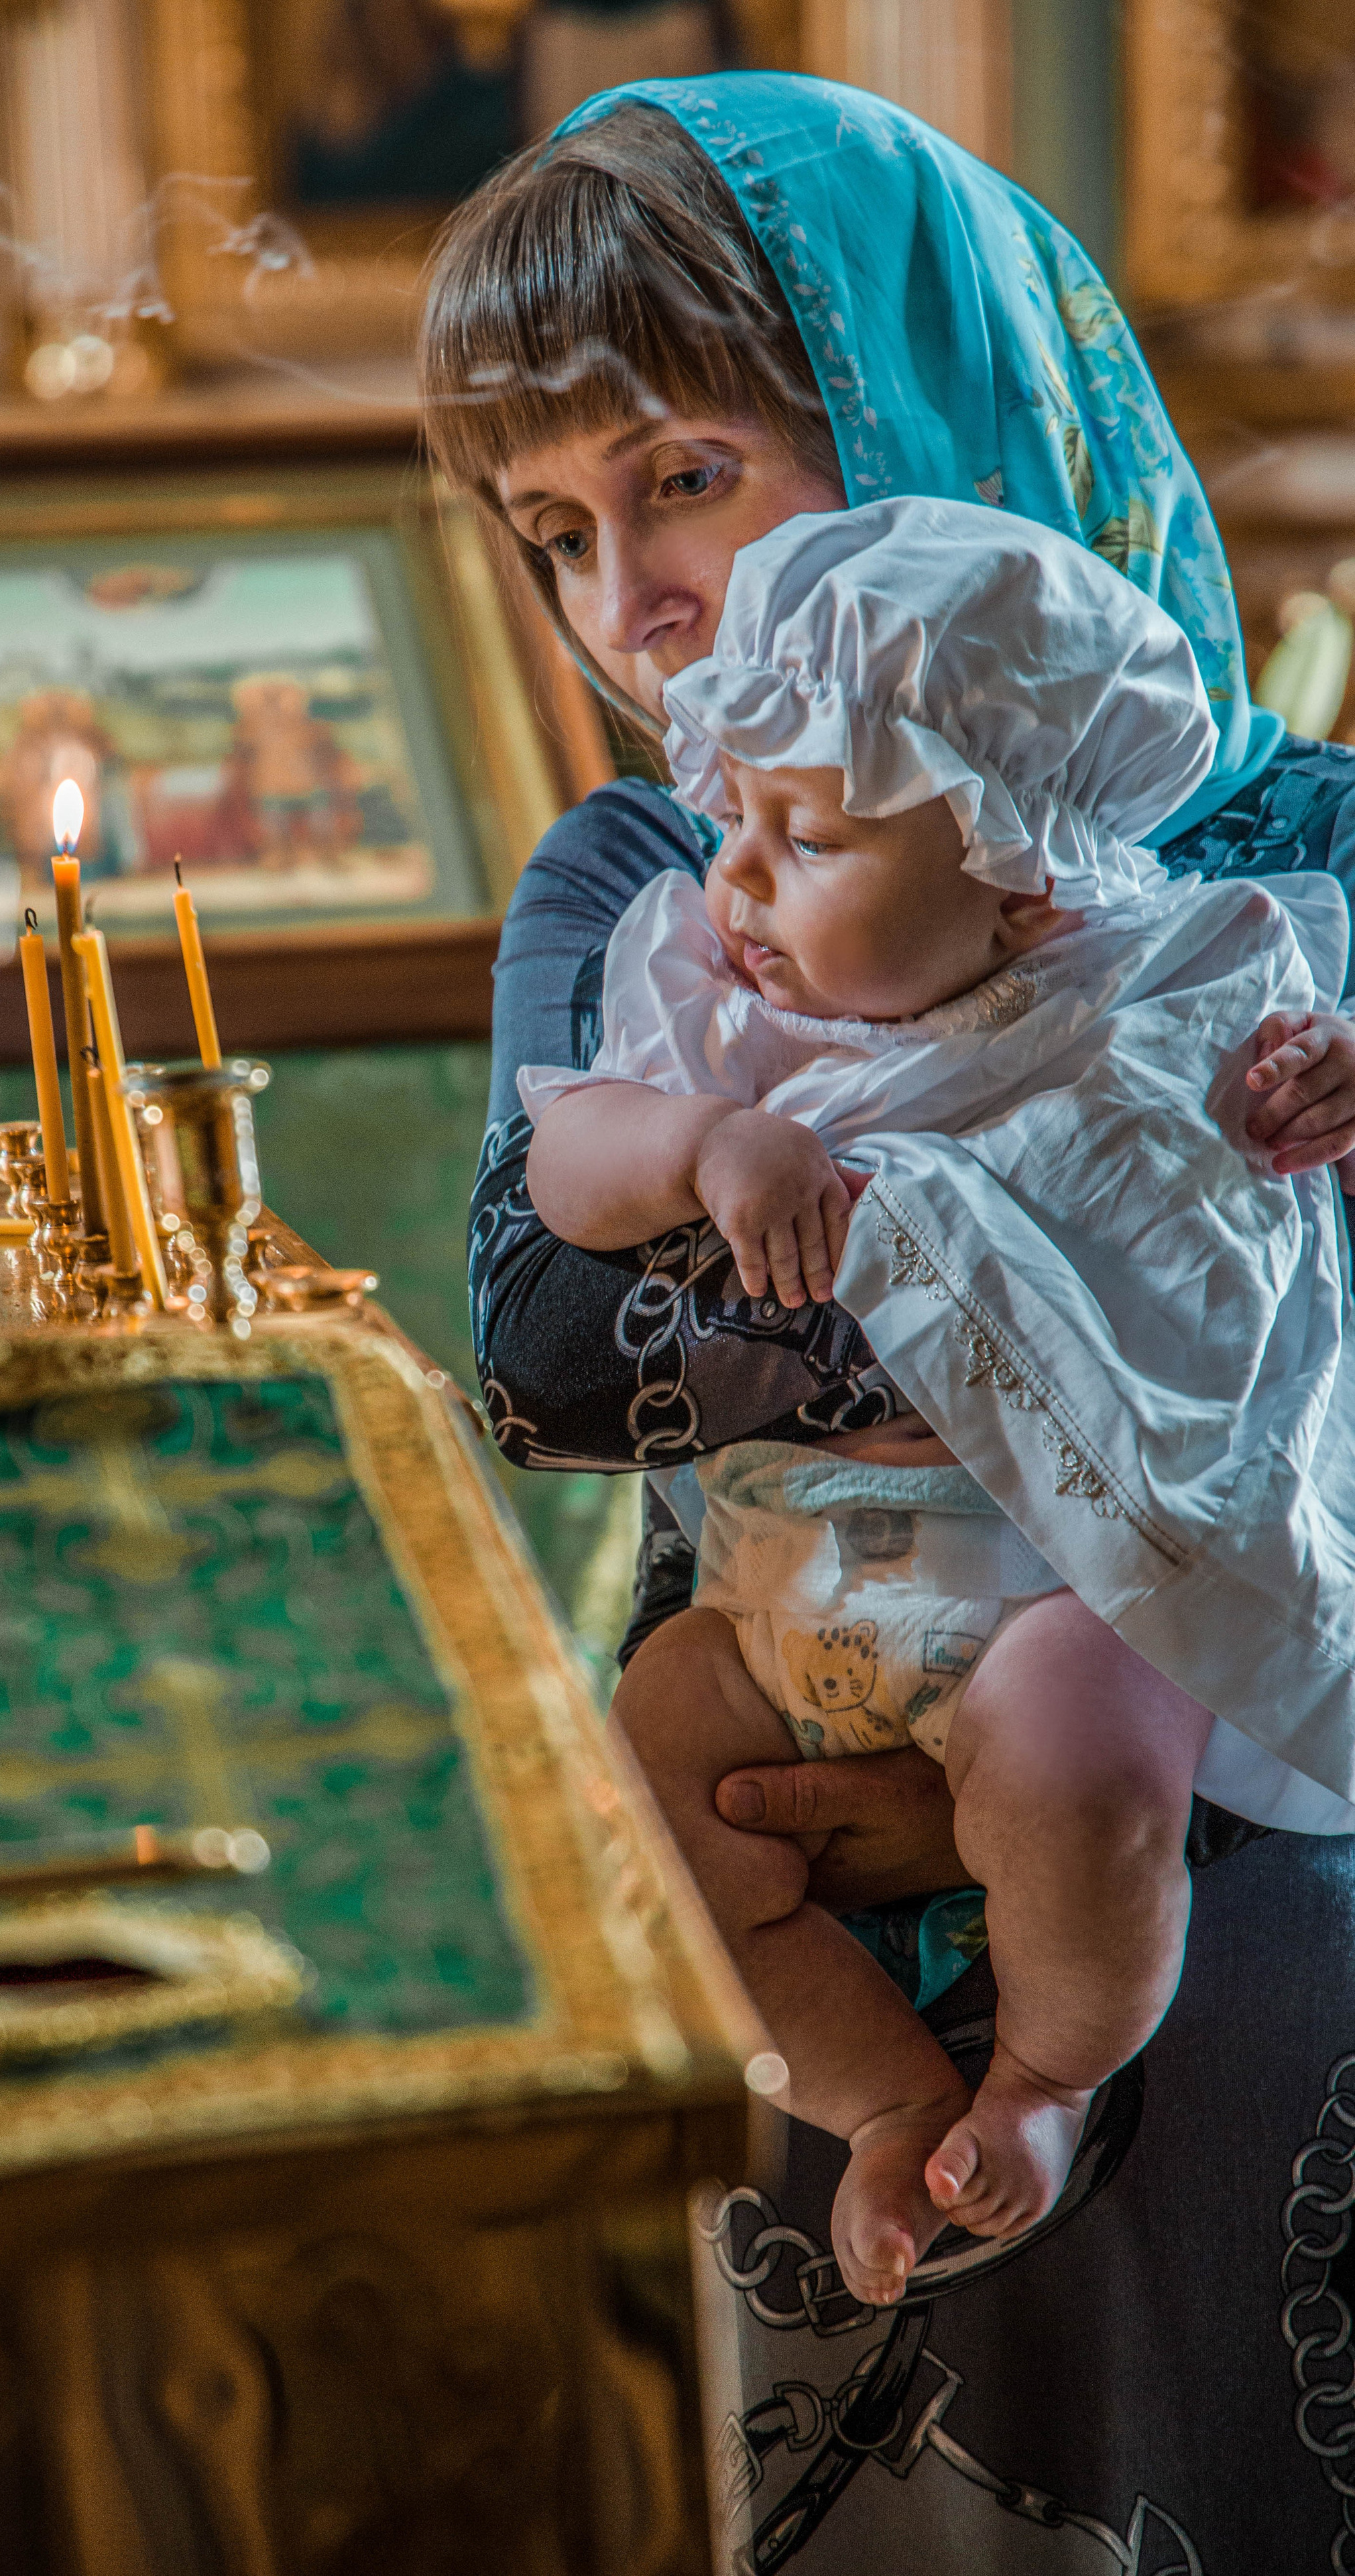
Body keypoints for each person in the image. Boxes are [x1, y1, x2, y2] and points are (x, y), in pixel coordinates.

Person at [422, 72, 1355, 2564]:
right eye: (555, 532)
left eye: (686, 476)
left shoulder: (1301, 868)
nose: (634, 601)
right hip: (778, 1762)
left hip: (1254, 1801)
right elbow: (541, 1335)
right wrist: (1048, 1256)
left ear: (942, 419)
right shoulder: (644, 876)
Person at [522, 490, 1355, 2310]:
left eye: (808, 836)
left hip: (1047, 1590)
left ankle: (1044, 2078)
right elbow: (565, 1175)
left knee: (1083, 1761)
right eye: (737, 816)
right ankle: (882, 2100)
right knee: (642, 1780)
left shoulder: (1170, 986)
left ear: (1019, 877)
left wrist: (1329, 1099)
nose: (741, 877)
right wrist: (701, 1140)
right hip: (775, 1601)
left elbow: (1257, 1252)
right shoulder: (715, 998)